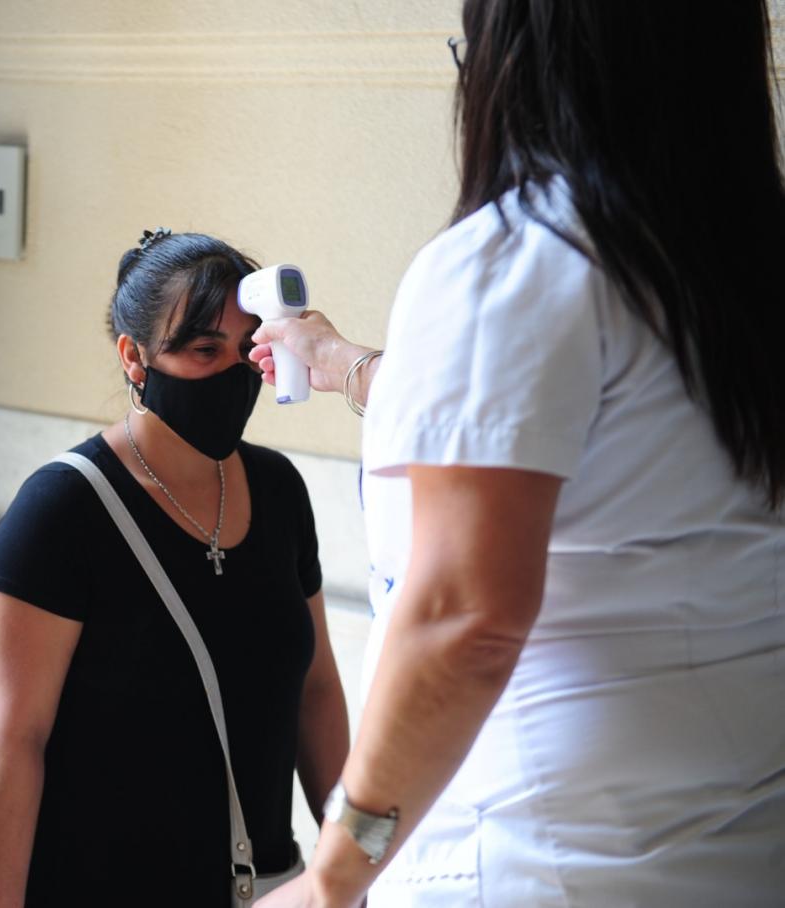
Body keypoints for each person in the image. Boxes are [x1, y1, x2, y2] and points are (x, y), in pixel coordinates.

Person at [250, 1, 785, 905]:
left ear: (525, 57)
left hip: (538, 857)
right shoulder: (735, 263)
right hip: (734, 846)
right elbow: (582, 429)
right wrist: (341, 363)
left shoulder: (514, 257)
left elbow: (467, 618)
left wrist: (332, 876)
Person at [0, 230, 351, 906]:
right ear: (134, 355)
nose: (232, 373)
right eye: (203, 350)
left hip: (261, 887)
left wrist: (355, 868)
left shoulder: (276, 488)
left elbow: (316, 689)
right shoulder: (60, 510)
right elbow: (15, 744)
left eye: (246, 350)